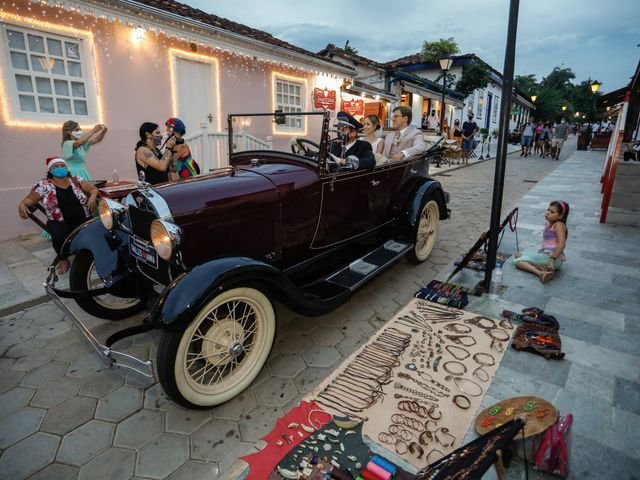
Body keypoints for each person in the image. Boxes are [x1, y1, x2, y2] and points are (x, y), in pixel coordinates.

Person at [18, 157, 98, 274]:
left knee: (97, 229)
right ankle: (64, 259)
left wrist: (92, 198)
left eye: (62, 166)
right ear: (50, 170)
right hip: (58, 221)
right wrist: (22, 204)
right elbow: (30, 199)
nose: (60, 168)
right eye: (56, 166)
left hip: (83, 218)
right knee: (59, 233)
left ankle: (90, 256)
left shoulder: (76, 180)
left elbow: (93, 189)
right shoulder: (43, 184)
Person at [513, 201, 569, 284]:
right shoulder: (550, 223)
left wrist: (552, 260)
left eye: (552, 212)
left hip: (553, 258)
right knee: (518, 254)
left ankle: (541, 273)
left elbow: (562, 243)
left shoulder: (559, 225)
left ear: (560, 215)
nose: (548, 213)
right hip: (546, 254)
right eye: (548, 210)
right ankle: (542, 267)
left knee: (518, 262)